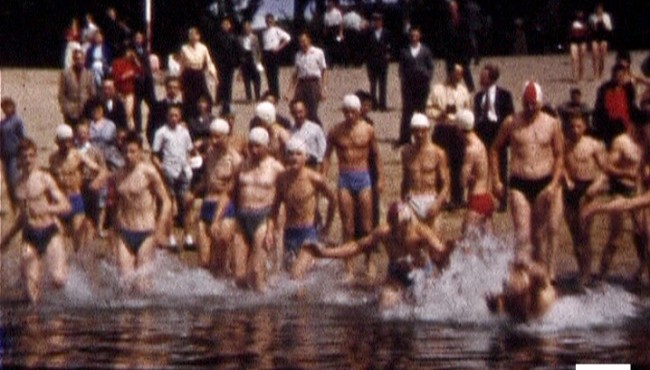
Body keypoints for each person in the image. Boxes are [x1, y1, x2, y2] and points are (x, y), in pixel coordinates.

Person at [314, 201, 455, 308]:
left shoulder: (421, 233)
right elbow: (357, 246)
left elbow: (441, 250)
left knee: (424, 306)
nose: (401, 229)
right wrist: (324, 253)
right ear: (391, 223)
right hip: (396, 275)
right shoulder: (385, 233)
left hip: (420, 275)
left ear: (409, 221)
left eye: (404, 224)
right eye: (396, 225)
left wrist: (451, 248)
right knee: (386, 302)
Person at [490, 82, 564, 280]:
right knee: (522, 234)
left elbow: (559, 155)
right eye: (527, 104)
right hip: (519, 184)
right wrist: (496, 179)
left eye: (534, 104)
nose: (531, 108)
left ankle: (541, 280)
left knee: (538, 236)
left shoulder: (552, 123)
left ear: (541, 102)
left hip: (544, 182)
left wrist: (554, 183)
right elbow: (495, 149)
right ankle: (521, 279)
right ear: (521, 102)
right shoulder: (511, 122)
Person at [0, 138, 71, 303]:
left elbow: (65, 206)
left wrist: (48, 209)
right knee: (31, 290)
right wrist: (6, 240)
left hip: (49, 231)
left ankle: (59, 296)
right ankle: (35, 324)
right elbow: (22, 217)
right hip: (29, 235)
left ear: (36, 157)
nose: (28, 160)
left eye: (31, 156)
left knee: (58, 279)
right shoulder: (17, 185)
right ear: (19, 159)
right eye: (24, 156)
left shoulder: (44, 178)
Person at [322, 95, 384, 279]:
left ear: (359, 112)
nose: (349, 115)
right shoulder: (335, 131)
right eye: (346, 112)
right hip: (345, 179)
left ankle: (369, 261)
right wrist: (323, 176)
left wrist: (380, 179)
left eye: (353, 112)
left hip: (364, 177)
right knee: (347, 226)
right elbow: (327, 156)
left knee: (366, 225)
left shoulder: (368, 130)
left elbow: (376, 156)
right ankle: (348, 265)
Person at [109, 131, 171, 292]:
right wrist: (113, 232)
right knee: (125, 284)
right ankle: (124, 318)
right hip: (124, 232)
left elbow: (166, 201)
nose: (128, 155)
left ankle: (146, 317)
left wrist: (160, 228)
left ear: (141, 152)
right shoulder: (118, 174)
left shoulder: (148, 172)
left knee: (142, 286)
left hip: (146, 231)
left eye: (132, 151)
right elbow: (117, 205)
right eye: (125, 152)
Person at [269, 137, 336, 279]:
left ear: (306, 157)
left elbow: (333, 200)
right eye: (291, 153)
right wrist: (270, 230)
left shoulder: (315, 178)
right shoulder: (281, 179)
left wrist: (327, 226)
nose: (294, 157)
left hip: (308, 233)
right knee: (290, 279)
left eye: (298, 154)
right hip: (290, 233)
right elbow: (274, 208)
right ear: (286, 156)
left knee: (296, 274)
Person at [232, 127, 285, 290]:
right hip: (242, 218)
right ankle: (241, 314)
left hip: (264, 217)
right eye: (251, 146)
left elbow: (283, 200)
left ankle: (264, 313)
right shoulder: (242, 165)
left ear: (266, 146)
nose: (253, 150)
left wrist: (275, 229)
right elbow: (233, 192)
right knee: (239, 276)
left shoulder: (276, 168)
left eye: (258, 146)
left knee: (256, 272)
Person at [562, 114, 608, 286]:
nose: (575, 130)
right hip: (570, 190)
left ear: (584, 127)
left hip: (587, 188)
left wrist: (596, 185)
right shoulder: (564, 144)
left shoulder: (592, 145)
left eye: (578, 126)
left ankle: (587, 273)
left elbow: (605, 170)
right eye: (572, 126)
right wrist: (565, 177)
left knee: (585, 233)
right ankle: (582, 269)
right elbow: (560, 164)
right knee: (575, 234)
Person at [48, 124, 106, 252]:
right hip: (60, 199)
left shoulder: (77, 155)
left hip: (75, 197)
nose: (67, 145)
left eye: (69, 141)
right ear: (58, 142)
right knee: (57, 236)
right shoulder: (53, 158)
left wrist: (95, 183)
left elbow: (100, 170)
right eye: (63, 142)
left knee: (78, 236)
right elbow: (51, 178)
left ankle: (80, 264)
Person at [195, 118, 242, 272]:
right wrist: (193, 192)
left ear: (226, 136)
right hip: (207, 204)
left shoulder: (235, 160)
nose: (213, 140)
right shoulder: (209, 152)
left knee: (221, 258)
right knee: (204, 260)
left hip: (226, 208)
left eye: (217, 137)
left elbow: (232, 190)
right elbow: (208, 179)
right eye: (211, 136)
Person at [428, 64, 472, 209]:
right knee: (441, 164)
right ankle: (442, 198)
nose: (460, 77)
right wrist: (438, 114)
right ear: (450, 73)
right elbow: (428, 108)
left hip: (457, 130)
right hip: (442, 128)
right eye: (457, 73)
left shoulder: (464, 91)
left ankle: (458, 198)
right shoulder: (437, 89)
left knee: (457, 164)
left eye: (461, 74)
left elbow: (468, 109)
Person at [152, 106, 194, 251]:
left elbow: (188, 150)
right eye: (171, 115)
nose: (174, 118)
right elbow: (155, 155)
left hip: (183, 171)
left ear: (180, 116)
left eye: (176, 115)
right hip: (168, 170)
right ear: (167, 117)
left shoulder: (184, 132)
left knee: (186, 203)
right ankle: (170, 237)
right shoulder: (161, 133)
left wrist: (189, 164)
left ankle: (188, 237)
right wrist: (162, 169)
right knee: (169, 204)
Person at [473, 64, 514, 212]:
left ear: (491, 78)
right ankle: (482, 198)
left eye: (484, 76)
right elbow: (477, 116)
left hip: (498, 129)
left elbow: (509, 115)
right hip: (483, 130)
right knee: (482, 165)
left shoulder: (504, 94)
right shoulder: (478, 97)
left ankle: (502, 199)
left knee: (501, 166)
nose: (481, 78)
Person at [401, 113, 450, 231]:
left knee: (433, 241)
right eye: (416, 131)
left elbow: (446, 184)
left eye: (423, 131)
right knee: (410, 239)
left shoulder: (438, 153)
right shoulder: (406, 152)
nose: (419, 134)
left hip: (430, 199)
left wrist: (438, 204)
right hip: (412, 199)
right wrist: (403, 200)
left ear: (428, 130)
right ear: (412, 131)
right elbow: (405, 179)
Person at [458, 110, 495, 234]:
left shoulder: (470, 150)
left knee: (465, 243)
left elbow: (462, 181)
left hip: (476, 200)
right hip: (487, 198)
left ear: (460, 129)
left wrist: (465, 178)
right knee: (488, 246)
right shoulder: (480, 144)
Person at [486, 259, 557, 322]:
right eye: (513, 276)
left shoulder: (536, 285)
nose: (516, 281)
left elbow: (546, 284)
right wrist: (494, 304)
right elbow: (498, 303)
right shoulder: (508, 295)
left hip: (538, 304)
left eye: (519, 275)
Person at [397, 27, 434, 146]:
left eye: (416, 35)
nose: (414, 37)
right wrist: (403, 77)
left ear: (419, 36)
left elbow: (430, 66)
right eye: (412, 35)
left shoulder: (425, 50)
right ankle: (405, 137)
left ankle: (423, 136)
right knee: (407, 111)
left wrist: (427, 76)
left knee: (421, 110)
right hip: (408, 85)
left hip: (422, 85)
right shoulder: (404, 51)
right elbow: (401, 67)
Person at [593, 63, 643, 148]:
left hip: (626, 126)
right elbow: (599, 110)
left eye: (621, 76)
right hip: (610, 126)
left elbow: (632, 108)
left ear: (625, 76)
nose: (619, 79)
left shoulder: (628, 89)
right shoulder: (604, 89)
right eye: (616, 76)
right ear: (612, 76)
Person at [286, 32, 328, 125]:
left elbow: (324, 71)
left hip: (313, 83)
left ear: (309, 40)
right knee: (296, 107)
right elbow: (295, 74)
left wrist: (324, 88)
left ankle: (318, 130)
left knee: (312, 111)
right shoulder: (298, 55)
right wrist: (290, 91)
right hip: (301, 84)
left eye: (304, 41)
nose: (303, 43)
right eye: (300, 42)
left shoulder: (318, 52)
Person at [180, 27, 217, 121]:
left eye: (194, 34)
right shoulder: (184, 48)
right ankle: (189, 119)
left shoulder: (203, 48)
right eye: (190, 34)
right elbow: (182, 64)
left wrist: (214, 74)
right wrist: (179, 78)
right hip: (188, 74)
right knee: (189, 98)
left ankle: (207, 116)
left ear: (198, 36)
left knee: (207, 97)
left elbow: (208, 62)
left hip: (199, 74)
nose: (192, 36)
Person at [1, 97, 27, 212]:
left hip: (14, 155)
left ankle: (21, 207)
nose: (6, 109)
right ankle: (14, 208)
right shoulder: (2, 123)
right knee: (9, 183)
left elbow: (22, 137)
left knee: (15, 181)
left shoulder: (17, 121)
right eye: (4, 107)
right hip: (4, 156)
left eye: (8, 106)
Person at [58, 48, 96, 126]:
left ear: (84, 59)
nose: (79, 61)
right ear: (74, 60)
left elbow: (92, 92)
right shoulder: (66, 74)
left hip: (85, 110)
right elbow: (61, 93)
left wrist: (90, 107)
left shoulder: (89, 74)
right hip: (70, 110)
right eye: (77, 59)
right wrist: (64, 108)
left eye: (81, 59)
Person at [443, 0, 474, 92]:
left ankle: (471, 90)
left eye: (453, 7)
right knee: (450, 73)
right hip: (451, 52)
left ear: (456, 7)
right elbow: (444, 37)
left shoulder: (463, 20)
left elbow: (467, 36)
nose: (451, 9)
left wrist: (468, 51)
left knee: (465, 72)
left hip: (462, 51)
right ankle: (450, 91)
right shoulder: (446, 21)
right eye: (450, 7)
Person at [213, 18, 241, 115]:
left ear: (229, 26)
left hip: (230, 64)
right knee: (220, 81)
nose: (225, 25)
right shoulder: (217, 37)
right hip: (220, 63)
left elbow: (238, 50)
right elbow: (214, 50)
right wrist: (215, 61)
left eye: (227, 24)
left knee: (228, 82)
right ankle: (219, 99)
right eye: (223, 24)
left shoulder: (233, 37)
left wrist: (237, 62)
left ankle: (228, 100)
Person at [365, 13, 392, 111]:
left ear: (381, 22)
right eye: (375, 20)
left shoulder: (386, 33)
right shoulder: (369, 32)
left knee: (383, 84)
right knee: (373, 85)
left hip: (382, 62)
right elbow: (365, 46)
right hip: (372, 62)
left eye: (378, 20)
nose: (377, 22)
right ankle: (373, 104)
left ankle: (383, 104)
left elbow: (390, 45)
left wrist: (388, 54)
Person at [110, 46, 142, 130]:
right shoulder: (116, 62)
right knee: (120, 113)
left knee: (129, 114)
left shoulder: (132, 62)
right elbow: (115, 77)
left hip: (129, 92)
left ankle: (131, 131)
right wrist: (126, 75)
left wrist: (135, 60)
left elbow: (140, 71)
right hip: (119, 92)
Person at [147, 76, 183, 146]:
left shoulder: (184, 107)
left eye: (175, 88)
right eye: (170, 87)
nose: (172, 90)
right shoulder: (157, 107)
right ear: (166, 88)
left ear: (179, 89)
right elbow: (150, 129)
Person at [262, 14, 291, 99]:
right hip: (266, 53)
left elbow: (288, 38)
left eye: (270, 20)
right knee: (268, 74)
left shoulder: (277, 30)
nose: (269, 22)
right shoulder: (264, 32)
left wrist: (279, 48)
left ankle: (276, 95)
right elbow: (264, 44)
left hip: (274, 53)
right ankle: (271, 93)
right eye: (267, 21)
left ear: (274, 21)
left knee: (274, 74)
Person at [132, 31, 157, 134]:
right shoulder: (131, 51)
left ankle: (154, 125)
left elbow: (147, 66)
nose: (138, 39)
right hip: (137, 82)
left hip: (147, 82)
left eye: (140, 38)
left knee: (153, 104)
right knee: (136, 107)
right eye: (136, 37)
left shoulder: (146, 50)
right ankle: (138, 129)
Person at [238, 20, 263, 102]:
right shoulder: (240, 38)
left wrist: (259, 61)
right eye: (245, 28)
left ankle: (258, 96)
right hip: (245, 59)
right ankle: (249, 97)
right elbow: (239, 50)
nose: (247, 29)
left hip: (253, 58)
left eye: (248, 27)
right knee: (246, 79)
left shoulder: (255, 37)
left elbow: (258, 50)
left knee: (257, 78)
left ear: (251, 28)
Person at [589, 3, 613, 79]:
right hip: (595, 37)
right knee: (594, 55)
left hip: (603, 37)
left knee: (602, 57)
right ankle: (595, 73)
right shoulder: (592, 17)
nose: (599, 10)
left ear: (602, 9)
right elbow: (590, 28)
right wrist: (594, 26)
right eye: (597, 9)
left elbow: (609, 28)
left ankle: (601, 72)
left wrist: (604, 25)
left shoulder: (606, 17)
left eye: (600, 9)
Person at [568, 11, 590, 82]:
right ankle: (574, 76)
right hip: (574, 42)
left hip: (582, 42)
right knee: (574, 59)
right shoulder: (572, 23)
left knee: (581, 60)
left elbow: (587, 34)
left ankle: (581, 76)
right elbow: (569, 34)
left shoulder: (585, 24)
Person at [323, 0, 344, 67]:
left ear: (333, 3)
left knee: (337, 46)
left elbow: (341, 23)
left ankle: (338, 63)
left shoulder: (337, 12)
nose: (329, 3)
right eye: (328, 2)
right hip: (329, 31)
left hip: (336, 30)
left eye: (330, 2)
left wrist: (341, 33)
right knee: (329, 48)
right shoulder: (326, 13)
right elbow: (326, 24)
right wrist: (325, 32)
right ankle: (330, 63)